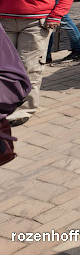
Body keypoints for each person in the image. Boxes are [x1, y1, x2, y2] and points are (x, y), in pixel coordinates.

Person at [0, 0, 75, 125]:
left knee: (29, 66)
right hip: (4, 22)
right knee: (5, 67)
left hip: (36, 23)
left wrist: (56, 15)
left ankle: (26, 108)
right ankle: (7, 102)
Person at [0, 23, 31, 165]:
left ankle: (27, 110)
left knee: (30, 65)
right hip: (8, 15)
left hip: (33, 19)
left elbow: (15, 80)